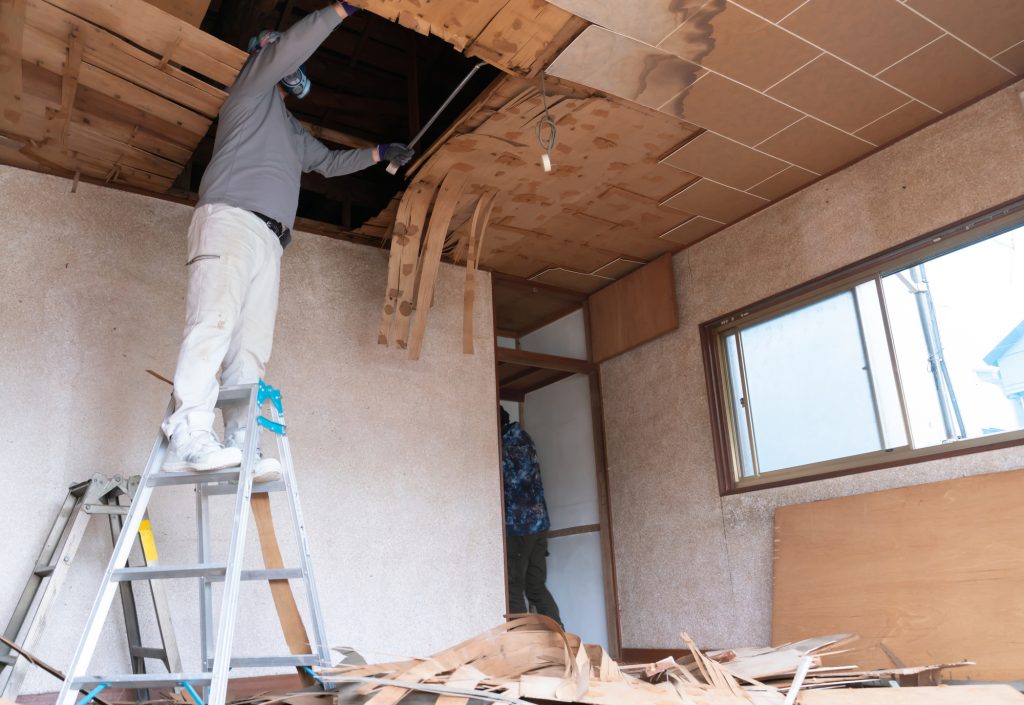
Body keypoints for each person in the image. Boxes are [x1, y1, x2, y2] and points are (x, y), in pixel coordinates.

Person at [162, 2, 414, 474]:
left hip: (270, 241)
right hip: (230, 220)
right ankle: (190, 432)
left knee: (251, 349)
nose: (290, 74)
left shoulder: (292, 132)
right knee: (211, 324)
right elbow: (292, 46)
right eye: (282, 64)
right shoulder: (249, 91)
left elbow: (329, 163)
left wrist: (380, 153)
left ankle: (241, 439)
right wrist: (340, 9)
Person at [501, 406, 562, 625]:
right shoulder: (524, 440)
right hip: (538, 525)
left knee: (512, 588)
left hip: (519, 527)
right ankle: (562, 644)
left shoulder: (506, 447)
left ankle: (522, 647)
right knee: (535, 587)